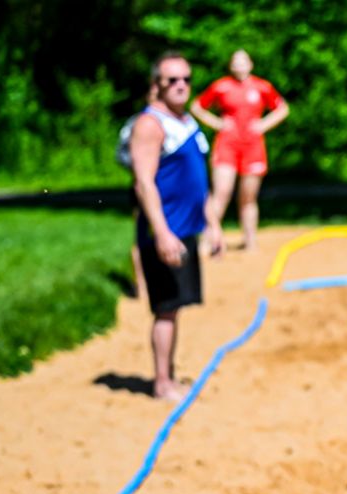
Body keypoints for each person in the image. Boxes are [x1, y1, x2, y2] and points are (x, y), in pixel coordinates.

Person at [130, 51, 219, 402]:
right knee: (166, 308)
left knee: (176, 306)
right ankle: (161, 383)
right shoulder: (150, 125)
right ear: (157, 85)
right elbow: (144, 183)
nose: (181, 85)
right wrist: (163, 233)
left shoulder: (187, 121)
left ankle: (167, 376)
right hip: (166, 232)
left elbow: (199, 181)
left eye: (186, 79)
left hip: (187, 230)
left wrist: (212, 224)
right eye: (172, 80)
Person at [191, 49, 289, 251]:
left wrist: (263, 124)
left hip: (253, 147)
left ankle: (250, 242)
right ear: (230, 66)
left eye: (243, 61)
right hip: (227, 145)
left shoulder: (262, 87)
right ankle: (206, 242)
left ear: (250, 64)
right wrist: (217, 123)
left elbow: (282, 109)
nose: (239, 66)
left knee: (248, 197)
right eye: (235, 62)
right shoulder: (221, 86)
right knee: (221, 193)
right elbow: (196, 106)